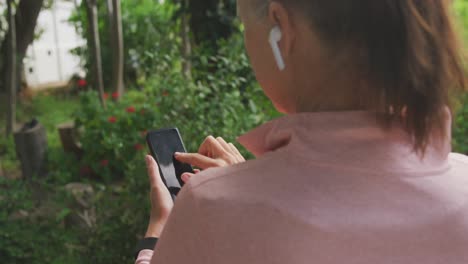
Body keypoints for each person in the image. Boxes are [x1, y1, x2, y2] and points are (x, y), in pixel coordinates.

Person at [135, 0, 468, 263]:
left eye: (245, 24)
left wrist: (158, 234)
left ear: (280, 29)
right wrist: (255, 187)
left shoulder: (210, 209)